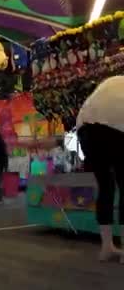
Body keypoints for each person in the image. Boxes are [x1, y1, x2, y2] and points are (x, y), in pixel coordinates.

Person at [76, 76, 124, 263]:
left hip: (85, 127)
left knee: (105, 186)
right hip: (115, 125)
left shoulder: (112, 81)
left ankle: (107, 247)